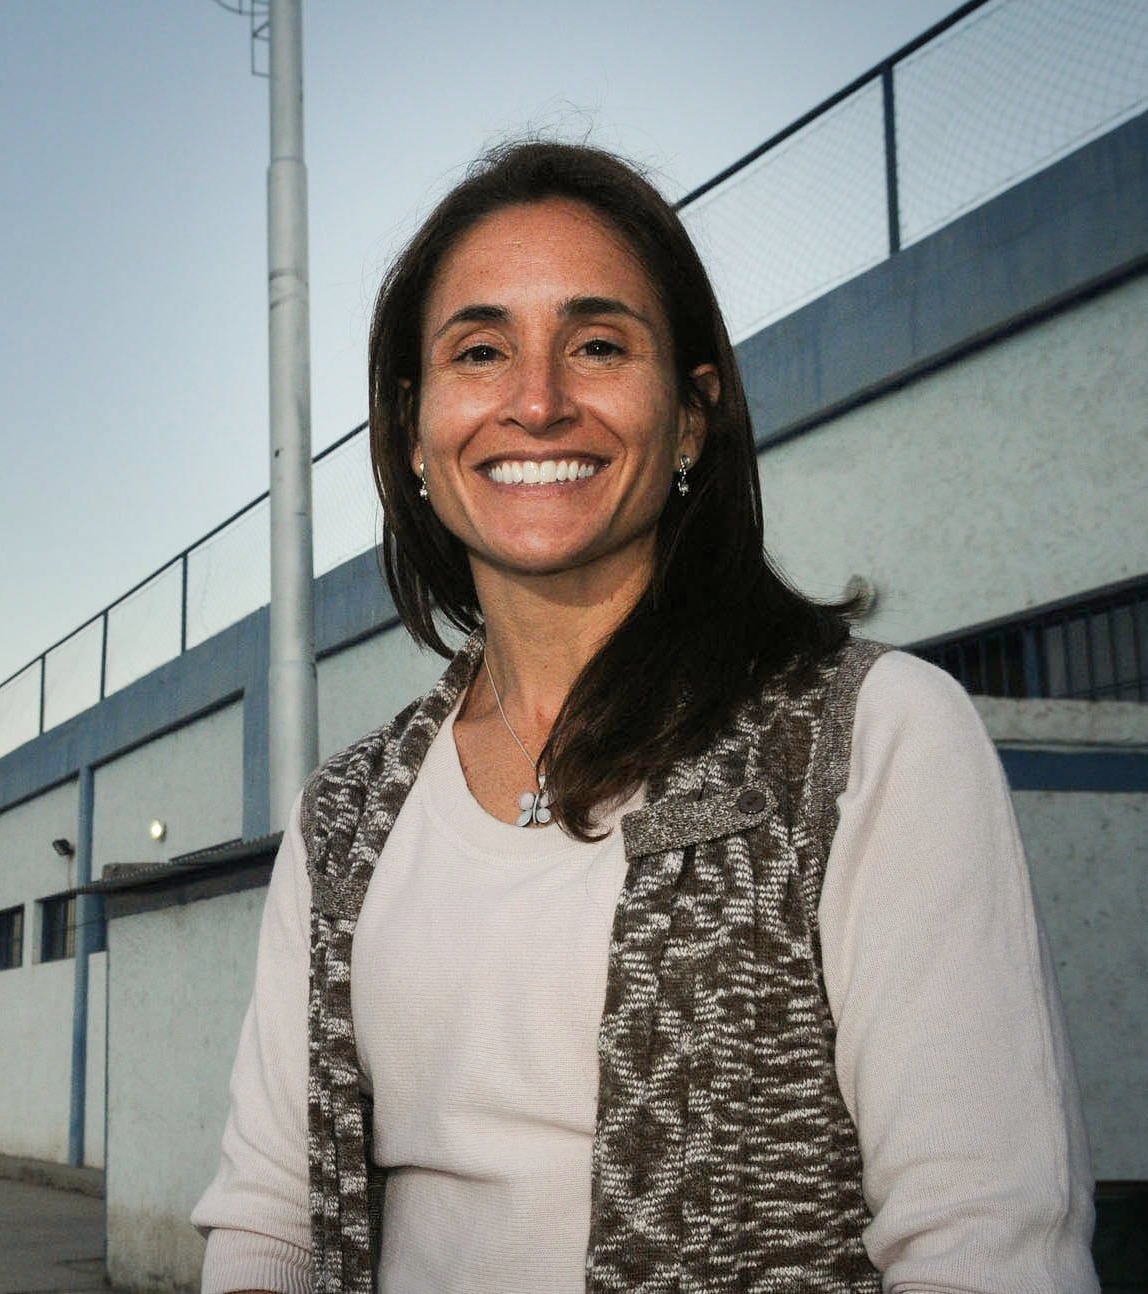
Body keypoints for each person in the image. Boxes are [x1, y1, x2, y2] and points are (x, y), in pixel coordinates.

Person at [191, 141, 1096, 1293]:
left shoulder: (872, 738)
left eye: (598, 345)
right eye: (480, 351)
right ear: (414, 432)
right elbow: (268, 1217)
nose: (535, 401)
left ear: (689, 416)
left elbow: (982, 1242)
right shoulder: (342, 815)